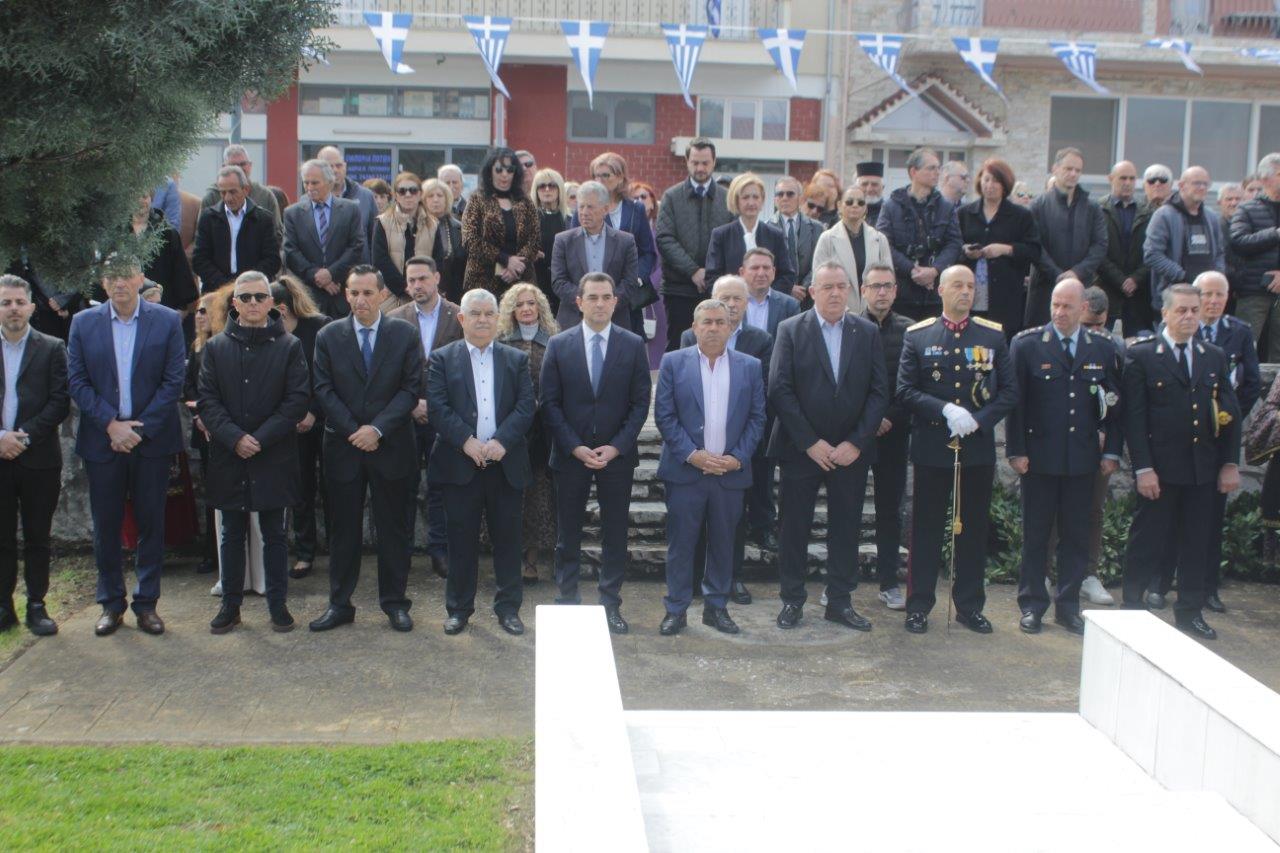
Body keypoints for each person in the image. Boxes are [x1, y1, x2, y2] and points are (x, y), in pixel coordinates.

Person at [67, 258, 186, 637]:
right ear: (103, 283)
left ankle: (147, 604)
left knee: (152, 523)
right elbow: (77, 381)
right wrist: (111, 424)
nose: (119, 283)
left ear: (140, 278)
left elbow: (173, 380)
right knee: (106, 525)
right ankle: (111, 603)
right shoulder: (83, 323)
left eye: (126, 276)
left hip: (151, 441)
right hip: (103, 441)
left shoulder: (166, 321)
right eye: (111, 277)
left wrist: (140, 428)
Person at [769, 262, 889, 631]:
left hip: (850, 453)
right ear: (813, 292)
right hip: (802, 450)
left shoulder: (866, 332)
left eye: (841, 286)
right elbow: (779, 388)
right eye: (827, 287)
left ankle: (839, 601)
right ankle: (792, 600)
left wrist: (856, 442)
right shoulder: (791, 329)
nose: (835, 293)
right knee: (794, 527)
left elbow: (879, 392)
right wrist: (810, 442)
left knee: (846, 527)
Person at [897, 265, 1017, 634]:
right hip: (933, 446)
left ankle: (969, 606)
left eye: (970, 286)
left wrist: (979, 420)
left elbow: (1009, 392)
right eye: (957, 285)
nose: (965, 292)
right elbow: (905, 390)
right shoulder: (919, 336)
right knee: (926, 529)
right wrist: (944, 410)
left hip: (975, 448)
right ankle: (918, 606)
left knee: (973, 530)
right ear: (941, 290)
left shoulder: (992, 336)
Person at [1121, 284, 1241, 640]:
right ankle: (1132, 608)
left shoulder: (1213, 356)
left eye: (1194, 310)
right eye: (1182, 310)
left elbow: (1229, 413)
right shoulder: (1143, 356)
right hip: (1159, 470)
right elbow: (1134, 419)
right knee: (1147, 540)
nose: (1189, 316)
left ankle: (1190, 612)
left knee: (1197, 543)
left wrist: (1229, 463)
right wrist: (1143, 468)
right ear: (1165, 313)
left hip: (1201, 469)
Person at [308, 266, 423, 633]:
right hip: (344, 448)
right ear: (345, 294)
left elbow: (411, 388)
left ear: (382, 294)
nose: (360, 300)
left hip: (392, 447)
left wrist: (377, 429)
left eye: (367, 293)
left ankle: (395, 603)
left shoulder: (404, 334)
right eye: (354, 292)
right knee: (343, 531)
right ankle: (340, 604)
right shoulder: (328, 336)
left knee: (394, 530)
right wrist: (354, 430)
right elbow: (323, 389)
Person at [1007, 279, 1122, 635]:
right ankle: (1032, 605)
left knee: (1076, 535)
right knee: (1036, 535)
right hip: (1039, 458)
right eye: (1055, 304)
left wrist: (1111, 450)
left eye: (1067, 306)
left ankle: (1068, 606)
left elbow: (1115, 403)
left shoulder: (1102, 348)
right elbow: (1016, 404)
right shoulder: (1027, 345)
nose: (1059, 312)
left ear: (1083, 308)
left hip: (1082, 459)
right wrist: (1016, 450)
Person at [197, 271, 310, 634]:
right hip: (229, 455)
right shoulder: (215, 348)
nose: (252, 303)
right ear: (234, 303)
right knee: (231, 533)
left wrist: (258, 439)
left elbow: (296, 400)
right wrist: (235, 438)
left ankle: (278, 605)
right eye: (245, 297)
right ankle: (230, 606)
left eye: (259, 297)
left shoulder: (290, 346)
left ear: (272, 302)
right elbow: (208, 401)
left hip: (273, 454)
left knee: (274, 534)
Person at [541, 273, 650, 631]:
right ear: (579, 302)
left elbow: (640, 403)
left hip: (616, 458)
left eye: (606, 297)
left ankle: (610, 604)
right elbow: (550, 403)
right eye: (593, 297)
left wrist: (617, 447)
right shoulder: (559, 345)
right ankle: (567, 601)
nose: (600, 303)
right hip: (571, 456)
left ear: (616, 302)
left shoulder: (633, 345)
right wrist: (574, 447)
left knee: (615, 533)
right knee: (567, 534)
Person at [427, 288, 535, 636]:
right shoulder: (442, 359)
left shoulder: (515, 359)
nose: (483, 320)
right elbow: (437, 407)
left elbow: (526, 406)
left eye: (489, 313)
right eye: (475, 313)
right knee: (461, 542)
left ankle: (508, 609)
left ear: (498, 318)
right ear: (462, 318)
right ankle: (459, 610)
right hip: (460, 464)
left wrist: (503, 441)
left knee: (508, 542)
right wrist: (466, 441)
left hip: (505, 464)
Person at [1150, 271, 1259, 614]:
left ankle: (1206, 590)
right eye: (1206, 294)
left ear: (1228, 298)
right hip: (1175, 448)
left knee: (1207, 525)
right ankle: (1159, 583)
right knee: (1169, 522)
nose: (1212, 301)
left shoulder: (1239, 333)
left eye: (1219, 295)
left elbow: (1250, 384)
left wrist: (1223, 418)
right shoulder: (1172, 331)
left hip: (1212, 446)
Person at [654, 298, 765, 635]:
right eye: (707, 322)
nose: (714, 328)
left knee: (723, 544)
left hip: (729, 474)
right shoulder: (673, 362)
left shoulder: (750, 366)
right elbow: (665, 416)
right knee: (681, 545)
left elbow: (757, 418)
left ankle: (716, 608)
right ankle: (676, 609)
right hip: (686, 472)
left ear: (730, 328)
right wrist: (693, 455)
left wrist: (737, 458)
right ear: (694, 327)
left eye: (720, 322)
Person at [679, 275, 773, 604]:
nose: (731, 305)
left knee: (733, 520)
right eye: (725, 298)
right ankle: (694, 579)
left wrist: (736, 452)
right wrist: (697, 451)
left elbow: (761, 396)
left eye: (737, 299)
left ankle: (733, 578)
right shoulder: (689, 336)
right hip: (697, 447)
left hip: (739, 449)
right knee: (695, 520)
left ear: (747, 304)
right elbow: (682, 394)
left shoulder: (760, 340)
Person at [0, 275, 70, 636]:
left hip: (39, 458)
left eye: (18, 302)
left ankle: (37, 605)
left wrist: (22, 438)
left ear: (30, 306)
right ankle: (3, 606)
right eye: (5, 303)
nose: (13, 309)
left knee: (38, 537)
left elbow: (60, 401)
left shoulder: (52, 347)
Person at [387, 257, 462, 580]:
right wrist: (411, 404)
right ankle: (401, 551)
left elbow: (463, 366)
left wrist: (436, 404)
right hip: (406, 416)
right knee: (403, 485)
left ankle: (440, 550)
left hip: (445, 415)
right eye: (411, 280)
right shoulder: (394, 319)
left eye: (422, 279)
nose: (417, 285)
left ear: (437, 278)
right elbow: (388, 371)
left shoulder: (459, 316)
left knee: (440, 487)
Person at [859, 262, 912, 610]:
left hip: (894, 432)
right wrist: (868, 420)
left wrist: (888, 417)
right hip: (856, 434)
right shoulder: (850, 327)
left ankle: (889, 581)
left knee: (890, 510)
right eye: (875, 286)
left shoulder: (911, 331)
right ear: (863, 290)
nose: (881, 292)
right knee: (847, 507)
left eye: (887, 286)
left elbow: (912, 384)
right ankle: (840, 581)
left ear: (895, 291)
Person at [270, 276, 331, 579]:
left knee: (332, 487)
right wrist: (292, 415)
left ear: (281, 308)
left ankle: (338, 548)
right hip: (291, 424)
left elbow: (329, 374)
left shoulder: (319, 327)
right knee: (300, 489)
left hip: (326, 420)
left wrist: (313, 412)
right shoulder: (269, 334)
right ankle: (305, 553)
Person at [497, 284, 559, 583]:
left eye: (531, 303)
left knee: (538, 498)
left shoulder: (554, 341)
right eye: (519, 304)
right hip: (509, 431)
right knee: (509, 498)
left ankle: (531, 561)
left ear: (540, 307)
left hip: (542, 433)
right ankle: (508, 559)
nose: (525, 309)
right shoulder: (501, 341)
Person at [740, 249, 800, 548]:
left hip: (774, 398)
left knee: (765, 466)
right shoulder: (731, 301)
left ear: (775, 273)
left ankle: (763, 524)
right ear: (743, 272)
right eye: (755, 268)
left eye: (767, 267)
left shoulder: (789, 305)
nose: (761, 273)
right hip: (737, 398)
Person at [656, 137, 735, 352]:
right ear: (687, 161)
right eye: (695, 162)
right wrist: (693, 271)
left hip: (716, 289)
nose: (700, 168)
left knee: (716, 347)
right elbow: (664, 238)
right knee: (678, 347)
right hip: (678, 289)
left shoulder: (727, 199)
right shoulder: (671, 197)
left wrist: (710, 274)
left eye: (705, 163)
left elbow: (731, 240)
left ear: (714, 162)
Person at [956, 158, 1041, 338]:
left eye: (995, 181)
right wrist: (966, 251)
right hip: (970, 292)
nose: (990, 185)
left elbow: (1034, 251)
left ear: (1005, 184)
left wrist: (1005, 249)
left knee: (999, 343)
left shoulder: (1021, 216)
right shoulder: (964, 213)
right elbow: (953, 245)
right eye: (986, 179)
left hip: (1005, 297)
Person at [877, 147, 963, 320]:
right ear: (913, 172)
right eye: (931, 168)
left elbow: (954, 243)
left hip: (936, 295)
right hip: (901, 294)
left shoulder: (945, 207)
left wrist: (934, 270)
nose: (937, 173)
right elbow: (883, 243)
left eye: (938, 168)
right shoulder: (891, 207)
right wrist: (912, 270)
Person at [1026, 147, 1108, 327]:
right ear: (1055, 169)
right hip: (1045, 290)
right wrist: (1058, 275)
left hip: (1081, 288)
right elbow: (1034, 246)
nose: (1073, 174)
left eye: (1078, 170)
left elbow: (1100, 246)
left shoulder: (1092, 208)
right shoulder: (1038, 206)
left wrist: (1077, 273)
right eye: (1068, 169)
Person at [550, 181, 639, 331]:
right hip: (573, 321)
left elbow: (630, 282)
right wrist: (586, 303)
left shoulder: (625, 241)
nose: (584, 212)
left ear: (605, 209)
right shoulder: (563, 241)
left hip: (615, 321)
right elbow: (558, 282)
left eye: (590, 207)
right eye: (581, 206)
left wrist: (606, 303)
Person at [283, 158, 365, 319]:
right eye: (306, 183)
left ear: (329, 182)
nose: (309, 188)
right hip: (308, 297)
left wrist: (331, 274)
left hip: (341, 294)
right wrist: (317, 276)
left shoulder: (350, 210)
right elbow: (291, 251)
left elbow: (356, 246)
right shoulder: (292, 213)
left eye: (315, 183)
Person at [587, 152, 656, 330]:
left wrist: (637, 278)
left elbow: (647, 252)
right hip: (596, 292)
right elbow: (576, 248)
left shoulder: (636, 209)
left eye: (605, 175)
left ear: (620, 177)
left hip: (628, 296)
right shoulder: (586, 209)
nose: (599, 180)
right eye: (596, 175)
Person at [461, 147, 541, 298]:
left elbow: (534, 239)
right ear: (490, 171)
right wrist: (505, 259)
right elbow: (469, 239)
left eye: (510, 170)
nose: (504, 174)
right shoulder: (477, 199)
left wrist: (516, 265)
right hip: (483, 281)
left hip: (521, 279)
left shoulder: (525, 201)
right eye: (499, 169)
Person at [1145, 166, 1225, 316]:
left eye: (1205, 184)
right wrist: (1182, 276)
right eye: (1197, 183)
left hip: (1206, 299)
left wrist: (1216, 278)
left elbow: (1220, 253)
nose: (1202, 188)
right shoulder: (1164, 215)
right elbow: (1152, 254)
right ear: (1181, 185)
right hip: (1174, 297)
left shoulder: (1212, 217)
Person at [192, 165, 282, 293]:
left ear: (245, 190)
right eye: (223, 193)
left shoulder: (263, 219)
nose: (228, 198)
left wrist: (247, 283)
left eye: (233, 192)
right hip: (217, 291)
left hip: (254, 292)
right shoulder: (208, 218)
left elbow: (272, 259)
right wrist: (225, 285)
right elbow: (199, 259)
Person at [705, 173, 796, 296]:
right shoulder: (721, 235)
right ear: (736, 201)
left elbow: (787, 275)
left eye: (755, 197)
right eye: (745, 197)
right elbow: (712, 278)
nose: (751, 202)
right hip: (732, 303)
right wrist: (734, 297)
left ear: (762, 200)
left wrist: (765, 296)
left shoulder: (775, 235)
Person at [185, 292, 221, 576]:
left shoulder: (224, 346)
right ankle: (212, 552)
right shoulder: (196, 347)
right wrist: (199, 415)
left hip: (222, 428)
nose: (199, 316)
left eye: (205, 310)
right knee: (211, 493)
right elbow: (188, 386)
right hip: (203, 428)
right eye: (197, 311)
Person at [1229, 152, 1280, 353]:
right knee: (1245, 346)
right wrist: (1275, 234)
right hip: (1253, 291)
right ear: (1265, 178)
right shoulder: (1247, 209)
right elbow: (1239, 242)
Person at [812, 185, 893, 312]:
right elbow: (818, 281)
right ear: (839, 205)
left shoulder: (879, 239)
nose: (855, 205)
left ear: (865, 208)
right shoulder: (827, 239)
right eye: (849, 202)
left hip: (873, 314)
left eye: (860, 203)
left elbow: (888, 280)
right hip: (838, 313)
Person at [1097, 160, 1154, 335]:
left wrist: (1136, 279)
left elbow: (1154, 251)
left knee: (1138, 343)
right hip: (1105, 289)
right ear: (1110, 178)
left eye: (1132, 178)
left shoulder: (1148, 212)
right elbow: (1095, 249)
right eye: (1123, 178)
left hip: (1138, 294)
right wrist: (1120, 280)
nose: (1128, 183)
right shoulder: (1097, 210)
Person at [371, 171, 440, 312]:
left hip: (425, 296)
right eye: (402, 191)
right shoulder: (383, 222)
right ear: (396, 195)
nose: (408, 195)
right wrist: (406, 287)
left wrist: (422, 286)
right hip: (392, 297)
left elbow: (438, 260)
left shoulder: (433, 224)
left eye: (413, 190)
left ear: (420, 194)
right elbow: (380, 260)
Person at [130, 192, 199, 318]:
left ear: (151, 198)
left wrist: (180, 309)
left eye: (144, 196)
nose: (140, 201)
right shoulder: (116, 234)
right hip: (125, 308)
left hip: (162, 307)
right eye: (135, 196)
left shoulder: (168, 234)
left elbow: (180, 273)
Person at [201, 145, 283, 242]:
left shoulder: (265, 196)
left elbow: (277, 234)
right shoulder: (212, 197)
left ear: (250, 165)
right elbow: (202, 235)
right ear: (224, 167)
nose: (239, 169)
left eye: (243, 164)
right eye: (233, 165)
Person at [317, 145, 378, 258]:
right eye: (330, 166)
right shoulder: (310, 200)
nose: (335, 170)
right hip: (325, 267)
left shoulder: (366, 196)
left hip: (359, 266)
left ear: (345, 166)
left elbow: (375, 240)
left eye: (339, 165)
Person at [772, 176, 823, 299]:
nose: (785, 198)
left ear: (800, 198)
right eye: (780, 194)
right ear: (775, 200)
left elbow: (820, 262)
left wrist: (804, 288)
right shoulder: (765, 229)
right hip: (777, 296)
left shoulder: (817, 228)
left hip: (809, 296)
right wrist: (788, 287)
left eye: (790, 194)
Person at [533, 167, 571, 315]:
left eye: (552, 185)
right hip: (535, 280)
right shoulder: (528, 220)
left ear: (560, 189)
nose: (547, 189)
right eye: (542, 186)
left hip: (564, 282)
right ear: (536, 190)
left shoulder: (570, 220)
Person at [422, 177, 466, 303]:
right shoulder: (414, 227)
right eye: (430, 196)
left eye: (440, 195)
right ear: (423, 200)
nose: (435, 200)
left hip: (453, 294)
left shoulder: (459, 228)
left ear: (447, 199)